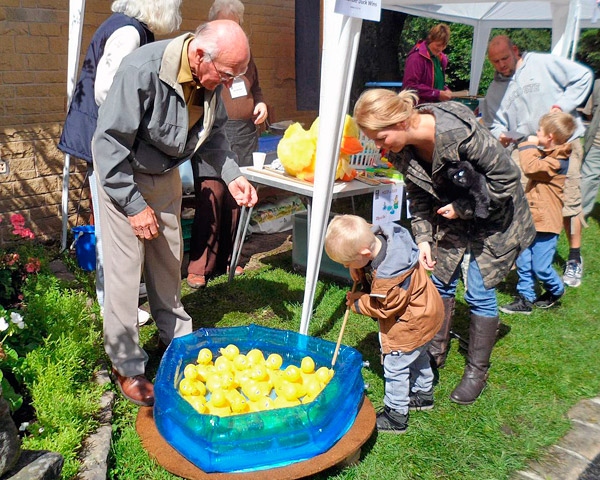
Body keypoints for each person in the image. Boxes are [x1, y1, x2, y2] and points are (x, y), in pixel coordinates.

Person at [91, 20, 258, 406]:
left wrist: (232, 176)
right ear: (200, 56)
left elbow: (213, 135)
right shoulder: (141, 70)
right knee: (125, 271)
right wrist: (134, 207)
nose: (229, 81)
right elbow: (109, 145)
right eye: (227, 73)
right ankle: (127, 365)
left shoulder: (209, 79)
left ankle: (177, 338)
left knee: (168, 260)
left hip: (163, 176)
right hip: (123, 177)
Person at [353, 89, 535, 405]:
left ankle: (477, 371)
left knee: (479, 291)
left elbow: (506, 181)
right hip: (450, 220)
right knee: (441, 284)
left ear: (399, 121)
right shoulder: (403, 149)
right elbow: (418, 195)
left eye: (380, 137)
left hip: (495, 220)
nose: (379, 146)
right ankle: (434, 354)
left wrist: (463, 208)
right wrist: (423, 238)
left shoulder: (459, 136)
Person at [57, 0, 183, 323]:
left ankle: (115, 306)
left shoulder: (126, 26)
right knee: (111, 236)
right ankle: (110, 308)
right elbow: (106, 92)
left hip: (107, 141)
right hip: (106, 145)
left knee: (110, 234)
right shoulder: (128, 32)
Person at [483, 35, 593, 288]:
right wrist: (500, 133)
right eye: (495, 61)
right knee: (520, 202)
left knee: (568, 203)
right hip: (527, 148)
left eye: (504, 58)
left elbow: (583, 76)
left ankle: (574, 258)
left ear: (515, 50)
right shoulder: (495, 89)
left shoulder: (542, 63)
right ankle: (520, 255)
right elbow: (493, 122)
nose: (501, 64)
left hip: (562, 144)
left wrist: (562, 106)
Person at [325, 215, 443, 434]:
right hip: (427, 313)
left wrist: (358, 302)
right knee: (418, 354)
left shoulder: (391, 277)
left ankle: (396, 415)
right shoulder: (382, 238)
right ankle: (423, 393)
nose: (345, 267)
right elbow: (366, 261)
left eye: (347, 263)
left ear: (364, 254)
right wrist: (358, 269)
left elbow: (384, 308)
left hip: (410, 324)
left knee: (395, 366)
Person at [186, 0, 268, 289]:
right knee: (211, 195)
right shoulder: (206, 56)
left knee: (237, 199)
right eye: (225, 22)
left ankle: (230, 259)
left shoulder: (243, 54)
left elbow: (255, 87)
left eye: (236, 23)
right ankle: (200, 265)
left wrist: (260, 103)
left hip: (244, 133)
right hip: (213, 135)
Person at [501, 112, 576, 314]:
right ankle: (526, 298)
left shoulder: (558, 162)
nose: (536, 133)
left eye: (539, 131)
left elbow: (531, 167)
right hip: (532, 219)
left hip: (547, 223)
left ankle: (556, 289)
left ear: (550, 137)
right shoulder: (550, 154)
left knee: (541, 268)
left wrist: (527, 144)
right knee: (524, 260)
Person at [402, 23, 453, 104]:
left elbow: (435, 84)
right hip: (417, 107)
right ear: (430, 39)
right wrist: (437, 94)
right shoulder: (416, 58)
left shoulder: (440, 58)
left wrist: (445, 90)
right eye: (438, 45)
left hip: (435, 106)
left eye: (444, 46)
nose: (440, 49)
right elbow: (410, 86)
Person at [581, 78, 600, 220]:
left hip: (597, 140)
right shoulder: (598, 84)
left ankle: (579, 215)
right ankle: (579, 215)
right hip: (597, 141)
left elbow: (589, 112)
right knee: (589, 176)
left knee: (589, 176)